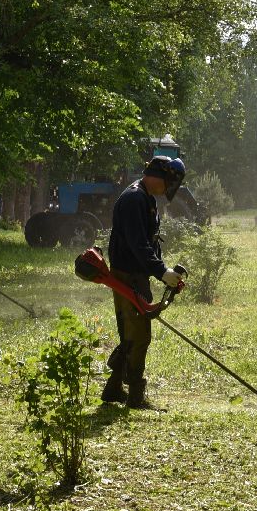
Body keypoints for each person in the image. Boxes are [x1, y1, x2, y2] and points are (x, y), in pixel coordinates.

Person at [100, 156, 187, 408]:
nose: (168, 187)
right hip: (127, 275)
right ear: (156, 175)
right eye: (168, 181)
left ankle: (113, 389)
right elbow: (137, 244)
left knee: (131, 334)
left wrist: (164, 270)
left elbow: (150, 242)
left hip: (136, 274)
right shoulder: (133, 199)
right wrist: (161, 271)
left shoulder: (146, 198)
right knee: (138, 336)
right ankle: (136, 396)